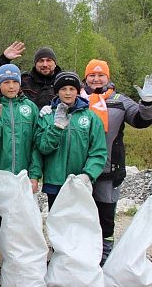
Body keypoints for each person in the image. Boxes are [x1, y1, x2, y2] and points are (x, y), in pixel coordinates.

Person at [80, 59, 152, 264]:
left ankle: (105, 257)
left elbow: (141, 120)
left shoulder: (119, 100)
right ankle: (79, 255)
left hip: (109, 169)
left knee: (105, 216)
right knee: (78, 214)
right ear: (85, 77)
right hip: (78, 169)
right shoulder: (76, 98)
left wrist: (148, 103)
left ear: (108, 77)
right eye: (92, 75)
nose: (96, 79)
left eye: (101, 75)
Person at [0, 63, 42, 277]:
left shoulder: (30, 109)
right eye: (6, 82)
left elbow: (35, 145)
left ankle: (15, 270)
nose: (11, 86)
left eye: (15, 82)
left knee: (18, 226)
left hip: (20, 178)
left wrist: (34, 174)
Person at [35, 71, 107, 210]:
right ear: (57, 92)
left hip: (79, 182)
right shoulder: (47, 115)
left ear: (78, 91)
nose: (68, 93)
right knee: (56, 224)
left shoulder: (91, 118)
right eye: (63, 89)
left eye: (72, 89)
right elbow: (43, 147)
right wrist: (56, 128)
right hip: (54, 182)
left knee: (77, 225)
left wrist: (88, 174)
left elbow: (98, 151)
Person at [0, 42, 62, 109]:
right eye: (41, 61)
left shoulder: (62, 82)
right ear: (35, 63)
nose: (45, 64)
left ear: (55, 63)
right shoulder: (24, 80)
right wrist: (4, 58)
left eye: (49, 60)